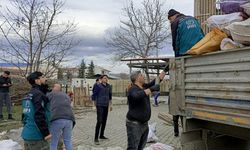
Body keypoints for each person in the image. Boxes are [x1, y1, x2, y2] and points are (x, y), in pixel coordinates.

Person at [168, 9, 204, 137]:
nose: (170, 22)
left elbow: (175, 40)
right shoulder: (193, 18)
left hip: (185, 52)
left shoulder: (176, 22)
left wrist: (177, 56)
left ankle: (179, 132)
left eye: (169, 20)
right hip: (199, 49)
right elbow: (201, 33)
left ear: (172, 17)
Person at [126, 70, 166, 150]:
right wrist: (151, 89)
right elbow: (137, 95)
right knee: (133, 147)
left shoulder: (143, 86)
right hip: (134, 125)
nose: (144, 76)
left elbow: (155, 82)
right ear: (137, 78)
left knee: (141, 147)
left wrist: (164, 71)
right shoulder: (132, 89)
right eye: (142, 75)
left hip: (144, 124)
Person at [21, 71, 51, 150]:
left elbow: (24, 116)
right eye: (43, 77)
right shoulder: (39, 95)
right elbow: (39, 115)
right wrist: (46, 133)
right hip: (37, 136)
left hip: (27, 134)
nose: (46, 79)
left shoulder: (27, 95)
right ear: (37, 80)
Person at [47, 84, 75, 150]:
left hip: (57, 119)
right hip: (69, 119)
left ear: (53, 88)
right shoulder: (65, 95)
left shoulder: (50, 94)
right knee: (67, 141)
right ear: (60, 89)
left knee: (53, 142)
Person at [92, 75, 112, 145]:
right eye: (104, 78)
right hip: (99, 105)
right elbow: (94, 95)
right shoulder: (98, 86)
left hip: (106, 105)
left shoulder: (109, 86)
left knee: (104, 121)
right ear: (101, 79)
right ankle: (96, 138)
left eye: (107, 78)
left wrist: (110, 105)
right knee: (99, 121)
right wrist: (94, 105)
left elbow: (110, 96)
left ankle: (101, 135)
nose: (106, 79)